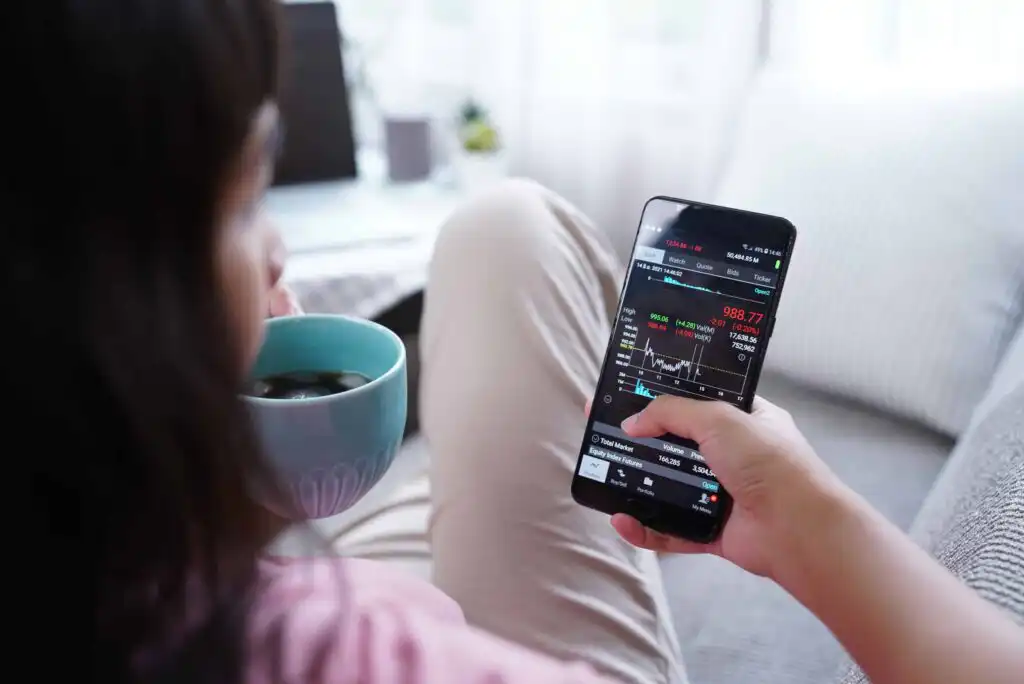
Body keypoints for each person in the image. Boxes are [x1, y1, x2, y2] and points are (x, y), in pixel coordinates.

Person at [7, 2, 1020, 684]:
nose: (274, 246)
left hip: (264, 564)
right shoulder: (335, 647)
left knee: (502, 237)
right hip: (332, 602)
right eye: (240, 198)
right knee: (514, 229)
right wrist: (810, 522)